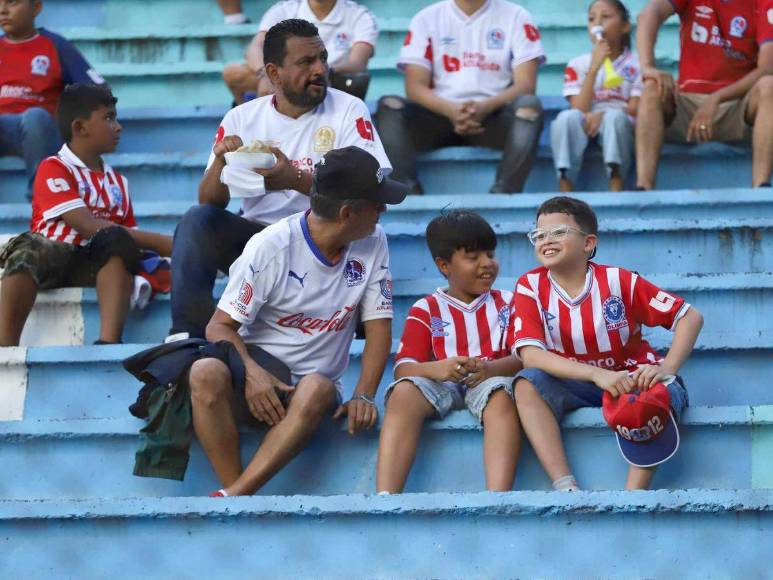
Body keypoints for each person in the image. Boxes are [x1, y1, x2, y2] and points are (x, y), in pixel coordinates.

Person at [191, 146, 406, 497]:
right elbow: (218, 326)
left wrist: (364, 395)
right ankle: (232, 494)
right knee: (204, 372)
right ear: (347, 213)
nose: (382, 211)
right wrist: (253, 374)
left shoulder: (372, 240)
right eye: (376, 204)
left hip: (312, 391)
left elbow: (379, 326)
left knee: (317, 386)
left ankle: (238, 494)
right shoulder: (271, 246)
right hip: (255, 378)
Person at [170, 18, 392, 341]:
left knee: (362, 232)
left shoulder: (349, 109)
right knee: (197, 221)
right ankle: (186, 337)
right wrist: (219, 161)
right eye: (306, 62)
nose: (320, 69)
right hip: (259, 242)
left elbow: (370, 189)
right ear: (273, 73)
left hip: (323, 238)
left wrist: (294, 178)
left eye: (323, 58)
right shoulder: (241, 117)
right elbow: (210, 201)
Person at [511, 196, 704, 490]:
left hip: (631, 379)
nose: (546, 240)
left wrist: (667, 368)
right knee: (527, 384)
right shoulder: (530, 286)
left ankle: (633, 494)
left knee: (652, 395)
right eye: (539, 235)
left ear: (588, 243)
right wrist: (596, 374)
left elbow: (690, 317)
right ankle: (565, 487)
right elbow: (531, 356)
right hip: (578, 383)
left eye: (559, 232)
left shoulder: (618, 280)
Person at [0, 84, 172, 346]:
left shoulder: (118, 182)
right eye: (108, 118)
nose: (118, 127)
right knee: (28, 248)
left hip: (95, 265)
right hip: (52, 259)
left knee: (117, 242)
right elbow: (87, 225)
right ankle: (5, 348)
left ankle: (108, 342)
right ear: (80, 127)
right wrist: (169, 244)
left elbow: (126, 238)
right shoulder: (54, 167)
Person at [376, 210, 522, 494]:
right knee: (403, 393)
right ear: (444, 265)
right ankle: (385, 496)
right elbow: (403, 368)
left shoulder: (509, 303)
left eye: (490, 254)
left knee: (501, 395)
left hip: (491, 381)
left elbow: (524, 356)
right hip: (442, 385)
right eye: (473, 257)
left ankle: (498, 497)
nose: (486, 264)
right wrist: (436, 368)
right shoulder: (426, 308)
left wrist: (490, 369)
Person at [376, 0, 545, 195]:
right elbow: (414, 86)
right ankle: (409, 193)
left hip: (494, 118)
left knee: (529, 106)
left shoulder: (517, 16)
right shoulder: (426, 18)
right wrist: (451, 110)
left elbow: (526, 85)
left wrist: (485, 107)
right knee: (389, 105)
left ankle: (504, 192)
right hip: (438, 117)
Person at [635, 0, 773, 189]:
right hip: (687, 106)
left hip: (737, 106)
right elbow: (648, 14)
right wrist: (647, 67)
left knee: (769, 86)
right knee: (652, 88)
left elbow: (768, 67)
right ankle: (644, 188)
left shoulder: (764, 3)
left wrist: (717, 98)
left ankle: (760, 187)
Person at [0, 0, 106, 195]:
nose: (3, 10)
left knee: (35, 117)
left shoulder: (55, 45)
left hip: (41, 130)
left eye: (12, 3)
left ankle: (43, 198)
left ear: (36, 7)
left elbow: (98, 91)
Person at [551, 0, 641, 192]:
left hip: (619, 122)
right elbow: (579, 108)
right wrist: (594, 68)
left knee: (614, 117)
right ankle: (565, 185)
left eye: (606, 17)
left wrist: (604, 114)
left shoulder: (637, 64)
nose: (597, 23)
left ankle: (616, 183)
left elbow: (635, 107)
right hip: (586, 120)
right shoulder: (577, 64)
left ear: (625, 26)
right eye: (592, 19)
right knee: (565, 118)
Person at [222, 1, 378, 103]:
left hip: (333, 78)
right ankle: (251, 127)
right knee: (233, 74)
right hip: (286, 76)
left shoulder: (360, 15)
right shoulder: (283, 9)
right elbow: (254, 49)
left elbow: (357, 63)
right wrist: (264, 74)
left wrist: (321, 71)